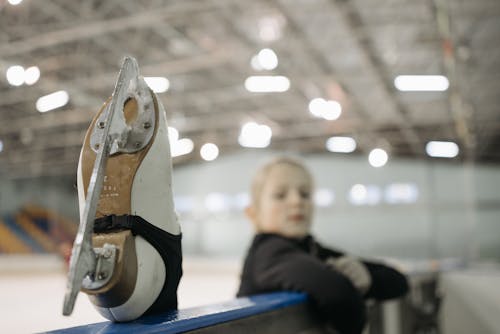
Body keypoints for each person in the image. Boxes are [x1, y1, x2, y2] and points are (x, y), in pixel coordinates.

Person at [237, 157, 409, 334]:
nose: (297, 201)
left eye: (305, 194)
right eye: (280, 195)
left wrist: (368, 278)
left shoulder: (312, 250)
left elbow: (398, 280)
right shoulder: (268, 252)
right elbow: (337, 293)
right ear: (253, 212)